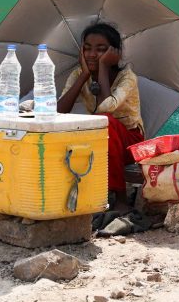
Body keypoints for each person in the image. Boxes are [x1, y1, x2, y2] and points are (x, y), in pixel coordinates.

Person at [57, 23, 144, 208]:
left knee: (105, 122)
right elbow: (58, 111)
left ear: (114, 53)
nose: (92, 54)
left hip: (130, 142)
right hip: (100, 137)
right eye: (87, 49)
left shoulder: (127, 78)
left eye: (101, 50)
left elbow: (106, 108)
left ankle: (120, 200)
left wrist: (103, 67)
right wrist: (84, 76)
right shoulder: (79, 74)